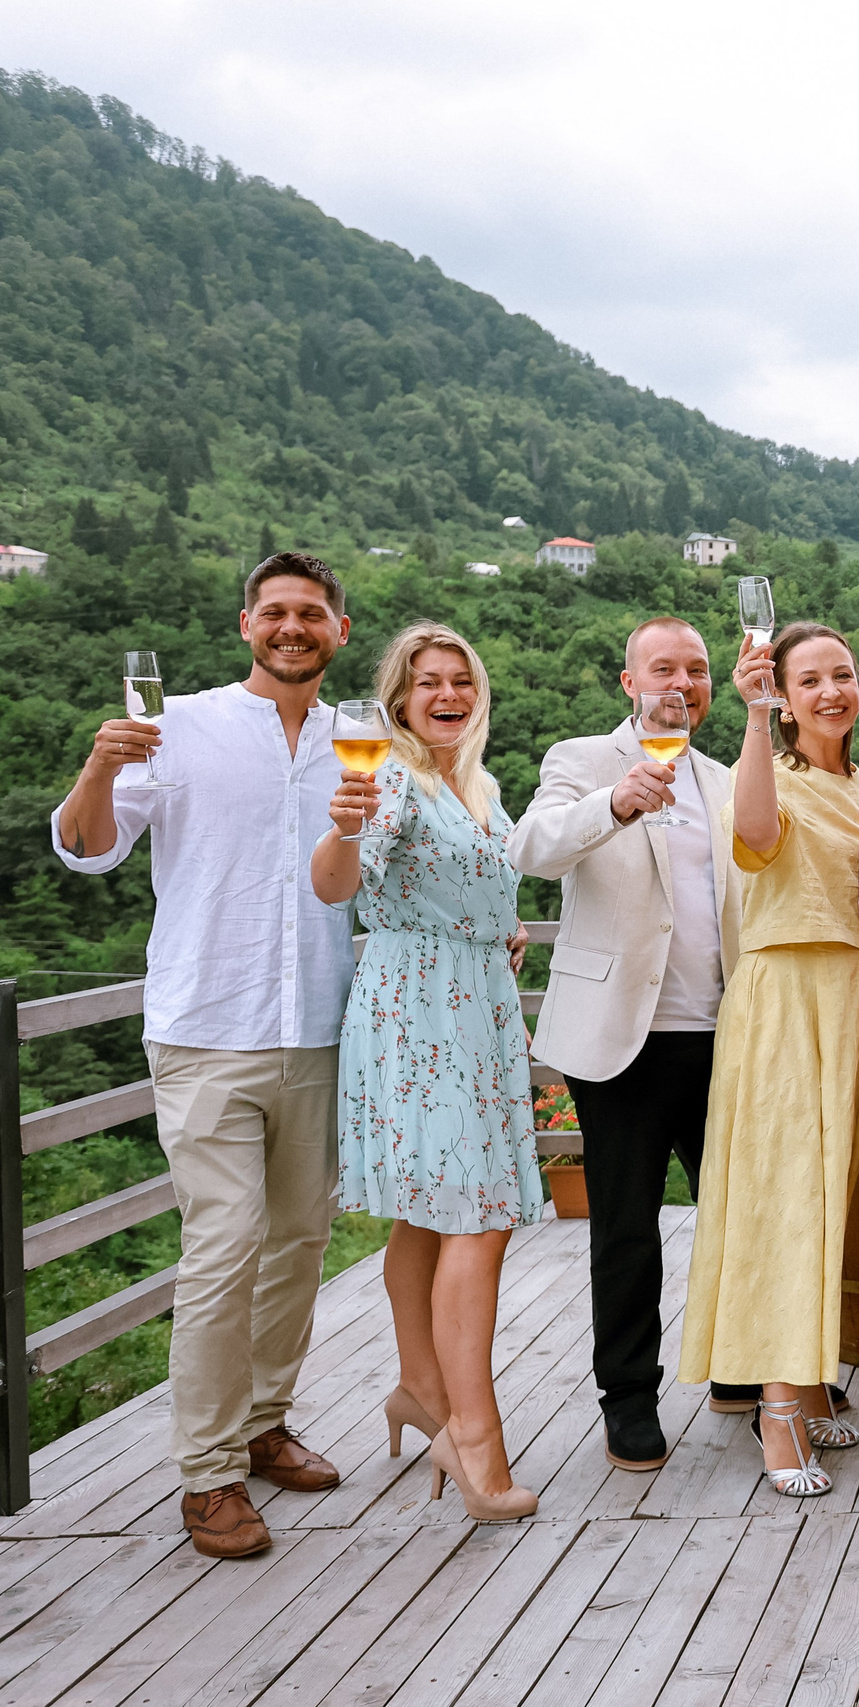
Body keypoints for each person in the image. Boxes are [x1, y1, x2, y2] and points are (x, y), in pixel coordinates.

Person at [50, 552, 356, 1559]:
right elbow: (88, 849)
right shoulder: (172, 727)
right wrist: (99, 764)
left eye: (310, 614)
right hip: (203, 1028)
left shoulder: (360, 741)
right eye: (276, 613)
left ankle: (265, 1423)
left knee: (300, 1245)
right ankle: (208, 1474)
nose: (292, 627)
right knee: (225, 1247)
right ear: (245, 626)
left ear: (337, 632)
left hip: (315, 1024)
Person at [507, 617, 749, 1472]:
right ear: (628, 681)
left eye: (696, 669)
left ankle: (737, 1369)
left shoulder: (726, 779)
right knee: (625, 1226)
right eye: (662, 668)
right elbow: (530, 849)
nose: (681, 683)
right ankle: (630, 1398)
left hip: (723, 1031)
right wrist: (614, 804)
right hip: (619, 1037)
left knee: (735, 1215)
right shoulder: (581, 761)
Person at [313, 621, 539, 1522]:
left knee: (428, 1211)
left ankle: (418, 1386)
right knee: (477, 1220)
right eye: (426, 681)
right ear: (399, 698)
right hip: (421, 1014)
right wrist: (342, 827)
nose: (446, 694)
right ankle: (475, 1438)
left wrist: (502, 927)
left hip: (468, 999)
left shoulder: (476, 785)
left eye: (460, 679)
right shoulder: (394, 783)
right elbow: (337, 884)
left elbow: (478, 886)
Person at [677, 622, 859, 1497]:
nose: (831, 690)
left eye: (843, 673)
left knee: (829, 1200)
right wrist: (755, 717)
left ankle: (805, 1375)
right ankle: (772, 1405)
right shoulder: (764, 768)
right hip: (785, 995)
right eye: (811, 680)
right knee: (779, 1198)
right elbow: (756, 832)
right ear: (787, 694)